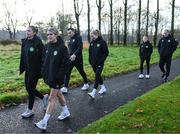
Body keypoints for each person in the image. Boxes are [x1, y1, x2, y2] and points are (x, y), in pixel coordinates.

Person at [35, 27, 70, 131]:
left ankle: (44, 122)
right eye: (48, 34)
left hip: (57, 78)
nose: (49, 36)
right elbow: (44, 61)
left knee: (51, 98)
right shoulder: (46, 46)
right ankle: (65, 111)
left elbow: (65, 64)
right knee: (59, 94)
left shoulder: (63, 48)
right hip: (49, 76)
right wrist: (43, 73)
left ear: (56, 35)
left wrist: (59, 77)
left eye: (51, 34)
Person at [19, 26, 48, 118]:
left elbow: (43, 57)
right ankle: (43, 97)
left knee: (31, 88)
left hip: (35, 70)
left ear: (34, 32)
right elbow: (23, 55)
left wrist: (43, 69)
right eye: (26, 30)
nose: (27, 32)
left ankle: (30, 110)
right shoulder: (25, 42)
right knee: (28, 88)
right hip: (28, 69)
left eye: (29, 31)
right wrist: (22, 67)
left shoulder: (38, 42)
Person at [60, 28, 89, 93]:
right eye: (68, 33)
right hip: (70, 59)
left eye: (70, 32)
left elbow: (80, 47)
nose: (69, 34)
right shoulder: (70, 39)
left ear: (73, 31)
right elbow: (70, 49)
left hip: (78, 59)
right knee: (67, 72)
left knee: (81, 71)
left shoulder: (78, 37)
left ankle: (86, 83)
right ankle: (65, 87)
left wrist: (75, 54)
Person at [88, 30, 109, 99]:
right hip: (93, 63)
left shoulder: (102, 42)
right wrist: (90, 61)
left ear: (97, 35)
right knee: (98, 75)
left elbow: (106, 53)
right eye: (91, 36)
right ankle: (103, 87)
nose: (92, 37)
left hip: (100, 63)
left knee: (97, 76)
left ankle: (93, 92)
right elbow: (90, 53)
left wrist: (101, 61)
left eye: (92, 36)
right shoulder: (91, 43)